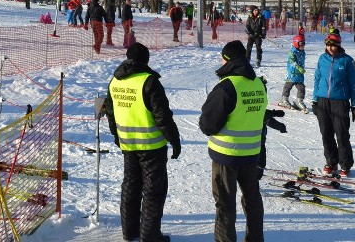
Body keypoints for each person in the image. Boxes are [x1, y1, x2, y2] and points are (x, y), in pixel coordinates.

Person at [103, 42, 180, 242]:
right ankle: (150, 236)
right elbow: (162, 116)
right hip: (151, 146)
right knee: (154, 191)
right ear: (146, 59)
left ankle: (129, 232)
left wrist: (117, 137)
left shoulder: (115, 81)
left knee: (131, 186)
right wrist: (174, 140)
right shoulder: (149, 81)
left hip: (128, 144)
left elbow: (110, 114)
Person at [199, 40, 266, 242]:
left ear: (226, 60)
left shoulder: (227, 86)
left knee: (225, 204)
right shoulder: (258, 83)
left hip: (226, 156)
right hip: (251, 154)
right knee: (252, 200)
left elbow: (208, 124)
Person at [311, 32, 355, 178]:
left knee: (341, 133)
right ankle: (331, 162)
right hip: (322, 101)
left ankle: (345, 163)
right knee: (326, 133)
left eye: (334, 45)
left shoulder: (347, 61)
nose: (331, 48)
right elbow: (317, 79)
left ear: (339, 46)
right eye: (328, 45)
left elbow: (353, 84)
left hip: (340, 101)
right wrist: (314, 99)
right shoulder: (322, 59)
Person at [280, 35, 308, 111]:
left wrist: (301, 69)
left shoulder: (302, 52)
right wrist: (299, 68)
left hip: (299, 74)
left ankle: (298, 101)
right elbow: (292, 61)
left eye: (304, 44)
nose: (303, 46)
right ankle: (284, 99)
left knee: (301, 88)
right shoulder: (292, 52)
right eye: (301, 44)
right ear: (296, 44)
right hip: (292, 73)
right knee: (288, 87)